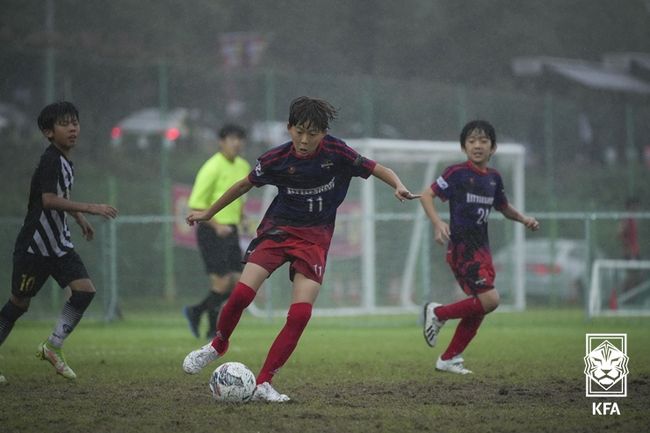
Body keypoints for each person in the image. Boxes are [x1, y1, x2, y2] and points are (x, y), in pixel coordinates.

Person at [182, 96, 419, 401]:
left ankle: (264, 383)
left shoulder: (337, 152)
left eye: (313, 133)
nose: (305, 140)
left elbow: (376, 168)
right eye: (299, 132)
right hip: (278, 232)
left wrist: (397, 184)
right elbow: (244, 185)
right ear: (289, 128)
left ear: (324, 132)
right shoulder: (276, 159)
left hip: (315, 239)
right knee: (240, 293)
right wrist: (208, 212)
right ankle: (218, 345)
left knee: (300, 315)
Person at [0, 101, 118, 384]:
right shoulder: (51, 159)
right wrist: (91, 208)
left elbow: (61, 195)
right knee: (19, 305)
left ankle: (53, 346)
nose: (73, 128)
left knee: (85, 292)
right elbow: (48, 200)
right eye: (65, 123)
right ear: (48, 132)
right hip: (35, 247)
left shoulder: (65, 161)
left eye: (75, 122)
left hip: (59, 245)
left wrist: (79, 220)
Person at [420, 120, 539, 375]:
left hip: (482, 250)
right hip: (463, 249)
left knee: (482, 304)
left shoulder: (494, 178)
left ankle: (450, 358)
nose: (477, 145)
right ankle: (438, 313)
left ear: (492, 147)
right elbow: (427, 194)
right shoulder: (456, 173)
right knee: (490, 300)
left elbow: (503, 207)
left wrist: (524, 219)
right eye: (472, 141)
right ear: (464, 147)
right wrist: (437, 222)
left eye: (483, 141)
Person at [183, 124, 251, 339]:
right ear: (221, 142)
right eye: (232, 138)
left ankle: (199, 314)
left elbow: (240, 197)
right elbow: (195, 205)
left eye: (240, 139)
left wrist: (242, 218)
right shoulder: (211, 167)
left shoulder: (243, 165)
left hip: (231, 230)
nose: (236, 143)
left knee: (239, 282)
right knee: (221, 282)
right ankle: (209, 325)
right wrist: (217, 225)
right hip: (211, 230)